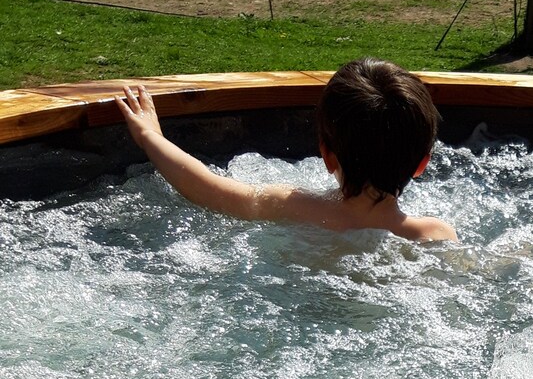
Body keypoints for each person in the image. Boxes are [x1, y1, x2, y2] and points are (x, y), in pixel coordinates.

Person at [115, 58, 457, 242]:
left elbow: (206, 188)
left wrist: (151, 136)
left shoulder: (291, 206)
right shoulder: (433, 234)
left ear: (326, 154)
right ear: (422, 163)